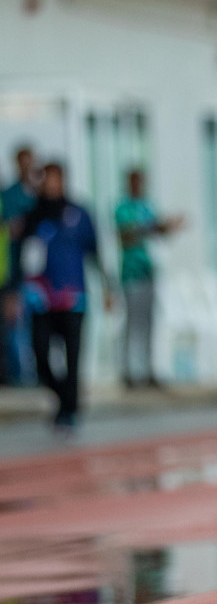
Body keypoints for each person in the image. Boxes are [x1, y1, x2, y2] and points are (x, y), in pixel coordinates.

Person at [20, 162, 112, 431]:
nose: (51, 185)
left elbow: (95, 251)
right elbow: (22, 257)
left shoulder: (78, 213)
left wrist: (108, 287)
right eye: (47, 180)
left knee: (73, 358)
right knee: (40, 353)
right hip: (41, 298)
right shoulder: (33, 216)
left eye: (56, 180)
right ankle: (64, 397)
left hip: (73, 297)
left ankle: (70, 410)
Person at [114, 168, 184, 388]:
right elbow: (126, 234)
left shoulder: (147, 207)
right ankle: (129, 371)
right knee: (133, 323)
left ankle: (148, 369)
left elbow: (156, 231)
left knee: (149, 323)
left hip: (149, 271)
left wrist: (169, 227)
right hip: (132, 273)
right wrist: (154, 227)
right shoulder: (122, 208)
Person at [1, 145, 38, 385]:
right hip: (14, 272)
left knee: (36, 327)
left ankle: (35, 372)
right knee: (15, 326)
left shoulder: (38, 195)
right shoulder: (9, 195)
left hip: (38, 275)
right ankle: (19, 376)